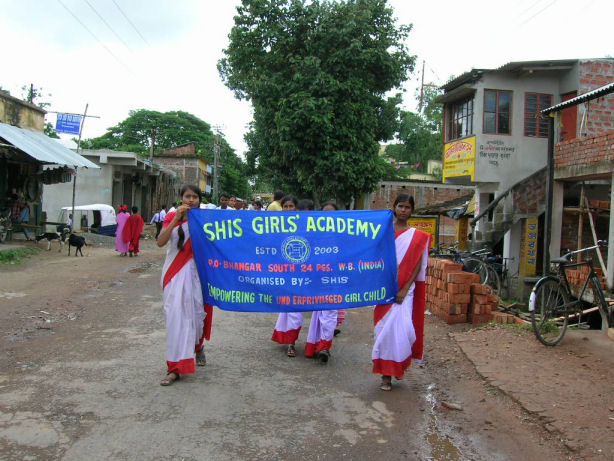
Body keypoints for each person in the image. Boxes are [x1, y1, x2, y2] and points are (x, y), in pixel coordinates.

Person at [372, 193, 430, 391]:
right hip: (384, 288)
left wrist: (405, 289)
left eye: (407, 207)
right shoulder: (383, 231)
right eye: (400, 206)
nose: (403, 210)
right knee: (385, 330)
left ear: (412, 211)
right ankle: (386, 375)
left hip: (406, 290)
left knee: (403, 329)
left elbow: (417, 264)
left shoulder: (417, 236)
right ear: (394, 207)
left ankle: (398, 365)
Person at [157, 184, 213, 386]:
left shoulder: (204, 219)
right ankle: (174, 367)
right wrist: (175, 221)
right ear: (181, 198)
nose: (191, 200)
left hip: (197, 274)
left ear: (200, 200)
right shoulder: (170, 217)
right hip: (174, 274)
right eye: (187, 196)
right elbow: (160, 242)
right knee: (176, 318)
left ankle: (198, 346)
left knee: (197, 317)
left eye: (195, 197)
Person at [320, 201, 346, 336]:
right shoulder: (314, 233)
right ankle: (320, 340)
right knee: (320, 310)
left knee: (332, 309)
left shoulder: (344, 233)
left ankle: (325, 342)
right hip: (318, 277)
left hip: (336, 277)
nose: (328, 216)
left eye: (332, 213)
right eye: (325, 213)